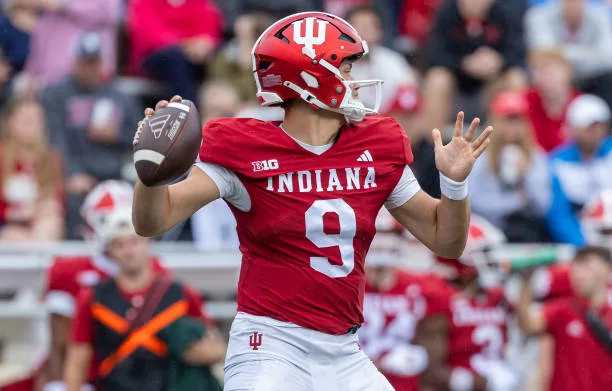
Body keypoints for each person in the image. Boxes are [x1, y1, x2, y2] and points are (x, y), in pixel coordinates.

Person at [132, 11, 493, 390]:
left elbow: (446, 241)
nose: (355, 82)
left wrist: (453, 184)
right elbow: (153, 221)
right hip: (270, 345)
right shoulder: (245, 146)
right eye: (347, 70)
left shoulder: (376, 144)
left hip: (345, 349)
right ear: (310, 78)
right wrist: (151, 171)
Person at [63, 181, 225, 391]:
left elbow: (217, 348)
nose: (129, 251)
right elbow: (77, 360)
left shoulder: (179, 293)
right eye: (120, 244)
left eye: (135, 241)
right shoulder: (93, 298)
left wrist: (196, 352)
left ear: (149, 242)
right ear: (110, 250)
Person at [44, 180, 168, 391]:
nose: (126, 249)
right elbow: (64, 346)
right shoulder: (73, 276)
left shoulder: (160, 275)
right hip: (91, 375)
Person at [42, 32, 141, 239]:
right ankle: (75, 254)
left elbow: (140, 137)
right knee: (73, 197)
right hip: (77, 171)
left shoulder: (120, 96)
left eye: (94, 62)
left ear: (102, 62)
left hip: (117, 173)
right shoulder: (56, 94)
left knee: (142, 196)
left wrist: (117, 135)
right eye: (84, 62)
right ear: (75, 61)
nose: (89, 68)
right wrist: (71, 173)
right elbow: (54, 138)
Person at [417, 216, 518, 391]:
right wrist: (478, 383)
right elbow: (429, 372)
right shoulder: (440, 298)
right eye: (485, 254)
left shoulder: (496, 296)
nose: (493, 262)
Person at [516, 246, 612, 391]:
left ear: (607, 270)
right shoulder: (563, 309)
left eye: (587, 266)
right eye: (576, 267)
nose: (578, 274)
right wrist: (525, 283)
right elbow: (528, 325)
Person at [421, 0, 526, 132]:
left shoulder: (503, 13)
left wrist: (499, 61)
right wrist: (464, 63)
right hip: (456, 81)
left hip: (492, 81)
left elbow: (518, 52)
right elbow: (433, 54)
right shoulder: (446, 12)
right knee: (437, 79)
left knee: (515, 78)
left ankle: (503, 144)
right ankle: (430, 144)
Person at [359, 230, 443, 390]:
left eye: (388, 235)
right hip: (353, 379)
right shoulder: (347, 285)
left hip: (401, 383)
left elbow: (433, 347)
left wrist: (421, 356)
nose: (382, 246)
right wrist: (382, 363)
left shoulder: (421, 288)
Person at [469, 90, 551, 242]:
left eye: (518, 120)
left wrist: (528, 174)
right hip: (489, 230)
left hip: (527, 231)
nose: (513, 127)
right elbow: (472, 202)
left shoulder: (536, 156)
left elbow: (543, 206)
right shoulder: (480, 154)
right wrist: (516, 201)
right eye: (507, 119)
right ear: (494, 121)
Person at [126, 0, 224, 104]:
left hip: (193, 60)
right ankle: (184, 109)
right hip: (154, 60)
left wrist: (204, 44)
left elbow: (209, 29)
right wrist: (186, 44)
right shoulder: (145, 2)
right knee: (175, 57)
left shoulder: (199, 3)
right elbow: (150, 36)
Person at [546, 94, 612, 245]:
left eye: (599, 125)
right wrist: (584, 243)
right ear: (574, 127)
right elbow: (559, 214)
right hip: (581, 239)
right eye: (589, 126)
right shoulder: (558, 162)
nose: (595, 131)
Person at [525, 0, 612, 108]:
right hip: (554, 75)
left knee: (608, 78)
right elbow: (545, 54)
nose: (572, 4)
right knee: (551, 72)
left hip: (592, 77)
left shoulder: (600, 14)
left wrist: (562, 55)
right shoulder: (539, 15)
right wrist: (588, 52)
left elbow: (608, 57)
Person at [0, 98, 63, 241]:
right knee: (17, 237)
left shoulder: (51, 158)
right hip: (7, 224)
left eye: (38, 121)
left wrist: (40, 209)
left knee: (50, 224)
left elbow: (57, 200)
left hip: (40, 223)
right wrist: (15, 213)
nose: (34, 127)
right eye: (27, 121)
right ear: (11, 123)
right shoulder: (2, 157)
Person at [22, 0, 121, 91]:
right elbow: (41, 39)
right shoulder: (47, 17)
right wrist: (31, 74)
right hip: (47, 83)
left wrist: (66, 4)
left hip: (88, 81)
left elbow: (109, 13)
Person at [345, 5, 417, 114]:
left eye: (369, 27)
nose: (363, 33)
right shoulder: (334, 62)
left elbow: (409, 97)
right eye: (357, 26)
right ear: (345, 32)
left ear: (380, 32)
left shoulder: (393, 60)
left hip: (387, 121)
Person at [524, 49, 581, 152]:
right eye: (541, 71)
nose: (548, 77)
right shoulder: (525, 101)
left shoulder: (582, 104)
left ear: (568, 72)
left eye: (552, 71)